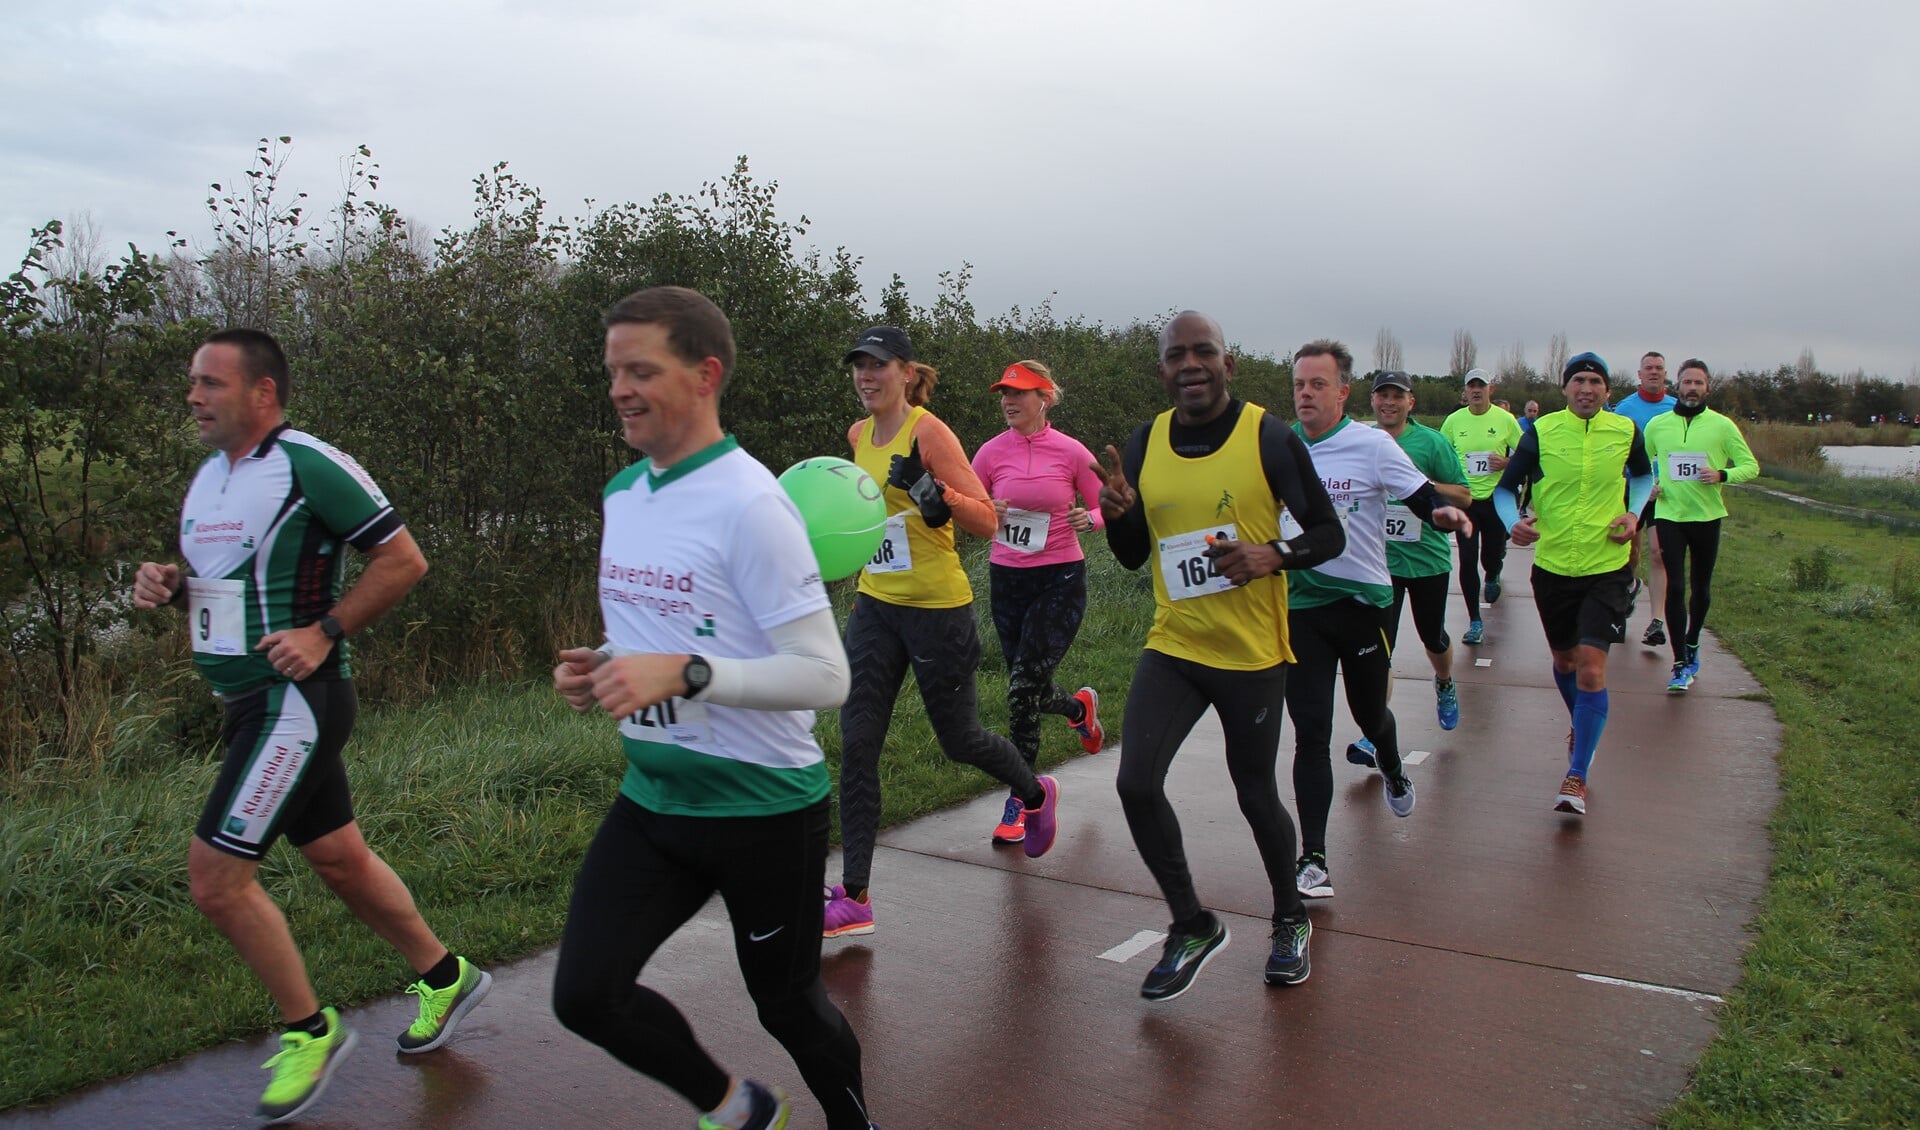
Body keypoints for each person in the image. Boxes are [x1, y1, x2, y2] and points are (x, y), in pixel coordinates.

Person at [131, 330, 488, 1125]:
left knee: (217, 880)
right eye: (192, 382)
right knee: (338, 857)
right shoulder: (210, 480)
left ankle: (309, 1030)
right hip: (248, 702)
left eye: (210, 384)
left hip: (293, 702)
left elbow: (404, 560)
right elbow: (226, 583)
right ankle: (443, 976)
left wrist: (325, 630)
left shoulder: (309, 464)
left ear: (262, 393)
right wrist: (169, 582)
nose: (193, 396)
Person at [550, 287, 875, 1130]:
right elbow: (661, 632)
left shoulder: (752, 503)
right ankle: (738, 1110)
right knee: (586, 995)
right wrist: (605, 666)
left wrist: (687, 675)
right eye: (613, 370)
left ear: (704, 375)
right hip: (655, 801)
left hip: (762, 808)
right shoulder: (624, 493)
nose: (620, 388)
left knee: (788, 1005)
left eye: (641, 370)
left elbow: (823, 675)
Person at [1092, 310, 1345, 1001]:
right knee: (1135, 784)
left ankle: (1290, 918)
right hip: (1174, 643)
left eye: (1205, 352)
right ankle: (1192, 923)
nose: (1191, 364)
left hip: (1252, 652)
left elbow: (1328, 534)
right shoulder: (1145, 444)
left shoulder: (1268, 436)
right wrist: (1119, 516)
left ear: (1228, 365)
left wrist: (1272, 555)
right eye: (1178, 355)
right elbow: (1134, 556)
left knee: (1255, 793)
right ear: (1163, 370)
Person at [831, 326, 1062, 937]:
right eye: (858, 366)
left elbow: (987, 519)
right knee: (856, 741)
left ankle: (1033, 792)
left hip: (938, 610)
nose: (866, 376)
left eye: (877, 365)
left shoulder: (928, 431)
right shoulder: (857, 436)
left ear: (906, 372)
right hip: (876, 605)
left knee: (958, 739)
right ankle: (855, 895)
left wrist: (937, 494)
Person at [1283, 351, 1473, 900]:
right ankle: (1314, 858)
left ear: (1342, 393)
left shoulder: (1372, 445)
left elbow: (1423, 497)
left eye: (1318, 384)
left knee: (1369, 714)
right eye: (1299, 384)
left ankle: (1391, 766)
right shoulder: (1277, 447)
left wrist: (1443, 513)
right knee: (1311, 731)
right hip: (1300, 607)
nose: (1306, 394)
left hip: (1362, 603)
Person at [1494, 352, 1653, 816]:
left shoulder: (1625, 431)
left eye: (1596, 382)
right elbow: (1506, 489)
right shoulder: (1541, 433)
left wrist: (1633, 513)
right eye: (1578, 381)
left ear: (1607, 391)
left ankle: (1577, 774)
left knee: (1590, 667)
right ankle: (1582, 726)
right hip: (1554, 566)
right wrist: (1512, 523)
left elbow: (1643, 476)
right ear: (1565, 389)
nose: (1587, 389)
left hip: (1607, 565)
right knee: (1564, 661)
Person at [970, 359, 1109, 845]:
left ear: (1043, 398)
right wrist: (987, 508)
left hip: (1059, 578)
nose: (1009, 401)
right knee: (1023, 686)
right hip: (1007, 579)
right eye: (1004, 394)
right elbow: (968, 508)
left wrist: (1089, 519)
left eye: (1019, 394)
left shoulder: (1070, 452)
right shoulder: (989, 453)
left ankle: (1022, 798)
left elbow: (1105, 501)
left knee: (1021, 690)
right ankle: (1078, 710)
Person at [1346, 370, 1474, 770]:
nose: (1389, 403)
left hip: (1427, 560)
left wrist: (1418, 484)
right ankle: (1372, 732)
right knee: (1380, 651)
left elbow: (1465, 495)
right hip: (1378, 564)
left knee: (1432, 637)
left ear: (1410, 402)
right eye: (1382, 396)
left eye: (1397, 397)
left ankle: (1445, 682)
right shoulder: (1361, 441)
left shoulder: (1431, 442)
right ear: (1372, 401)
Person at [1641, 360, 1761, 692]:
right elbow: (1646, 462)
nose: (1692, 388)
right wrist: (1652, 484)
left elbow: (1751, 466)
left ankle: (1692, 640)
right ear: (1675, 386)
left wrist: (1722, 475)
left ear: (1708, 388)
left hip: (1707, 517)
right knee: (1675, 586)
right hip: (1669, 515)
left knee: (1700, 586)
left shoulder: (1722, 426)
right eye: (1687, 382)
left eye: (1699, 383)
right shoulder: (1657, 425)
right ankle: (1680, 663)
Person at [1439, 368, 1522, 644]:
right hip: (1466, 501)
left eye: (1481, 386)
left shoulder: (1505, 420)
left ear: (1490, 390)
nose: (1476, 390)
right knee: (1466, 559)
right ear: (1465, 391)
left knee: (1490, 555)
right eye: (1471, 386)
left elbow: (1526, 455)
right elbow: (1442, 455)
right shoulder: (1453, 421)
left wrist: (1507, 462)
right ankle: (1474, 620)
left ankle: (1494, 572)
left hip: (1495, 499)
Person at [1612, 352, 1677, 647]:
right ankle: (1629, 588)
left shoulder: (1675, 409)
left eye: (1659, 369)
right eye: (1648, 368)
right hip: (1633, 488)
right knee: (1631, 552)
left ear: (1665, 374)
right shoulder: (1625, 409)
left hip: (1666, 493)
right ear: (1639, 374)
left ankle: (1656, 623)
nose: (1654, 373)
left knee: (1659, 553)